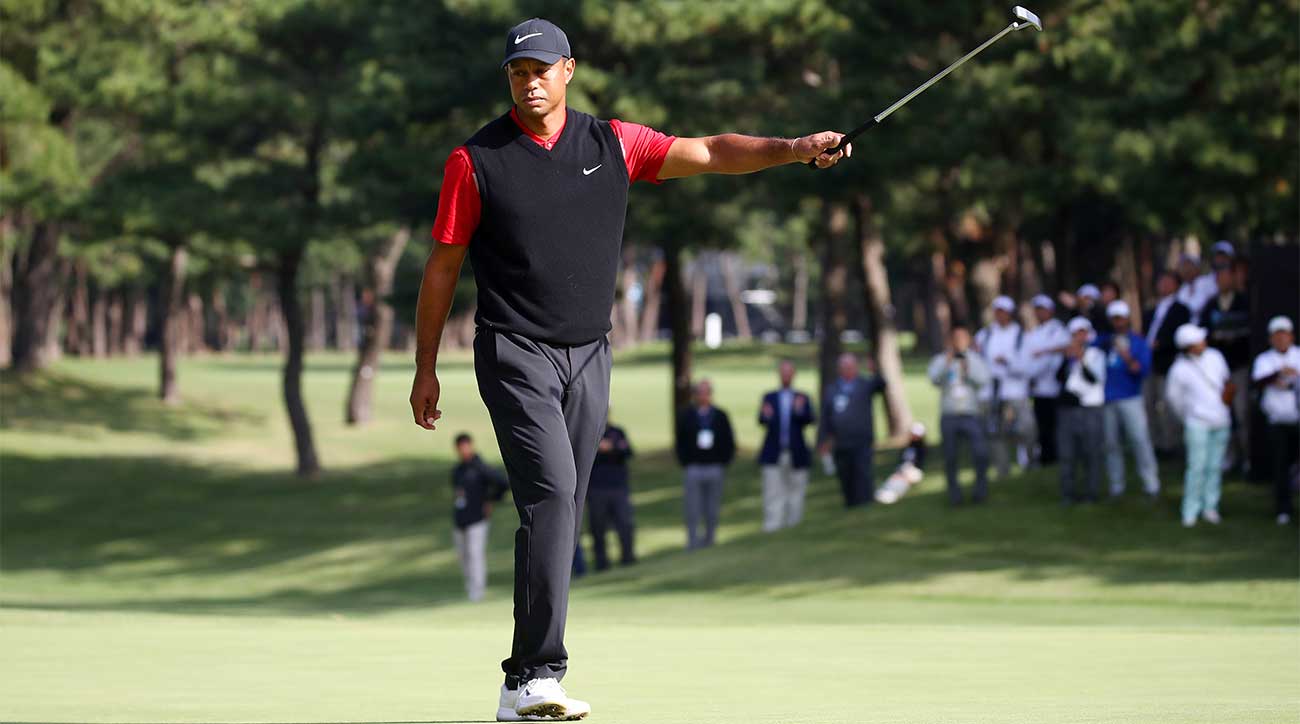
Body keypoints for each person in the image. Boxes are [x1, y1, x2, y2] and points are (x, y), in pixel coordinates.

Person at [405, 17, 853, 721]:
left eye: (542, 69)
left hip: (591, 352)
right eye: (518, 72)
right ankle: (540, 674)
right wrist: (425, 366)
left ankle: (520, 680)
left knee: (558, 509)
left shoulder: (610, 142)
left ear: (569, 70)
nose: (530, 82)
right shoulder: (477, 160)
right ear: (508, 78)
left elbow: (708, 152)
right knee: (552, 495)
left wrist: (793, 149)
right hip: (514, 351)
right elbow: (443, 266)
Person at [1165, 324, 1231, 527]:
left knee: (1214, 467)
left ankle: (1210, 507)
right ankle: (1190, 510)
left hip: (1221, 420)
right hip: (1197, 423)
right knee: (1196, 467)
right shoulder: (1179, 369)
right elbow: (1174, 399)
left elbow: (1225, 381)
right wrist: (1189, 416)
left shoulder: (1215, 356)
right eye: (1198, 341)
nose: (1203, 342)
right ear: (1189, 346)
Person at [1096, 300, 1160, 499]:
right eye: (1114, 318)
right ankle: (1117, 486)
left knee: (1140, 440)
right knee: (1111, 444)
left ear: (1127, 319)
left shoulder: (1138, 342)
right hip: (1107, 399)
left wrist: (1125, 355)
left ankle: (1151, 484)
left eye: (1121, 318)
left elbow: (1141, 370)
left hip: (1131, 397)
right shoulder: (1104, 342)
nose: (1118, 322)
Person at [928, 324, 993, 505]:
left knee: (980, 453)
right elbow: (933, 379)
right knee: (950, 457)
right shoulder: (942, 359)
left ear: (968, 340)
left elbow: (983, 381)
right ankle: (954, 495)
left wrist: (967, 368)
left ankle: (980, 491)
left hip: (970, 414)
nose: (958, 343)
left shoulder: (974, 359)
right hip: (949, 414)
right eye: (955, 339)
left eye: (962, 339)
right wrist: (948, 364)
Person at [974, 295, 1035, 479]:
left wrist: (1007, 362)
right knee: (995, 432)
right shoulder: (984, 335)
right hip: (990, 392)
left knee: (1027, 428)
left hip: (1015, 390)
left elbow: (1026, 366)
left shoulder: (1020, 335)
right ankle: (1003, 472)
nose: (1000, 315)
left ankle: (1030, 463)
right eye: (997, 311)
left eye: (1003, 311)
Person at [1199, 261, 1251, 472]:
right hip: (1218, 371)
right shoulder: (1210, 304)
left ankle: (1248, 457)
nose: (1222, 281)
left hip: (1239, 366)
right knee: (1223, 414)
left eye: (1226, 276)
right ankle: (1229, 456)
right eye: (1218, 278)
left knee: (1242, 412)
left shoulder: (1244, 301)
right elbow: (1205, 333)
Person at [818, 353, 888, 508]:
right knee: (845, 473)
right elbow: (825, 416)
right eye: (844, 367)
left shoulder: (864, 384)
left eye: (850, 366)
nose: (848, 369)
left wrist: (875, 371)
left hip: (862, 439)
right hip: (841, 441)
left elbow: (882, 385)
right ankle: (850, 503)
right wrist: (823, 440)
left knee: (863, 472)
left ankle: (865, 503)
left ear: (856, 368)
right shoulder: (832, 389)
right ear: (839, 369)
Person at [675, 379, 736, 549]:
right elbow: (680, 442)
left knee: (712, 507)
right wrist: (685, 461)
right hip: (694, 467)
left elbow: (729, 441)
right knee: (692, 508)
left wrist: (724, 460)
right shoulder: (687, 415)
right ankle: (693, 542)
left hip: (715, 466)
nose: (703, 396)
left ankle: (710, 540)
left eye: (706, 392)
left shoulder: (720, 416)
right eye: (699, 392)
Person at [1251, 316, 1300, 525]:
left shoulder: (1298, 355)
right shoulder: (1264, 359)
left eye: (1284, 335)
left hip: (1297, 418)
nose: (1281, 339)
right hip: (1276, 420)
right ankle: (1283, 509)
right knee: (1280, 465)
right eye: (1277, 336)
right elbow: (1259, 381)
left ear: (1291, 336)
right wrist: (1279, 372)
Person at [757, 359, 816, 531]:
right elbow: (762, 420)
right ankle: (772, 526)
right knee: (773, 491)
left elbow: (809, 419)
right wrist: (766, 415)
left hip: (796, 451)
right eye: (783, 372)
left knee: (796, 491)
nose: (786, 376)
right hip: (774, 451)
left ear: (794, 374)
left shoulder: (802, 397)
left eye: (789, 372)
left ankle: (793, 525)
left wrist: (798, 410)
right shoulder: (769, 397)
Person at [450, 433, 509, 603]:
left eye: (465, 446)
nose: (463, 450)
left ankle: (477, 592)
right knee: (463, 556)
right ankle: (470, 589)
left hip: (478, 519)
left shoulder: (480, 467)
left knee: (475, 554)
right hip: (461, 518)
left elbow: (503, 483)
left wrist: (490, 500)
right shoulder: (457, 471)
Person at [1055, 317, 1106, 505]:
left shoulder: (1096, 354)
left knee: (1090, 453)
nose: (1078, 337)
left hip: (1090, 410)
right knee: (1067, 454)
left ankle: (1091, 493)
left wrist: (1081, 359)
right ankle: (1068, 494)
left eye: (1082, 333)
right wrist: (1068, 359)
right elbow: (1059, 378)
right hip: (1068, 411)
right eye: (1075, 334)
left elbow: (1094, 379)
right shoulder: (1067, 358)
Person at [1143, 271, 1193, 456]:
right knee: (1149, 405)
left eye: (1168, 282)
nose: (1163, 285)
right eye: (1161, 281)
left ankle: (1173, 444)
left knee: (1169, 405)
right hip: (1149, 364)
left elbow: (1182, 337)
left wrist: (1161, 344)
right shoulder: (1151, 309)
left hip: (1168, 363)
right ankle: (1155, 444)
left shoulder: (1181, 309)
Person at [1024, 294, 1070, 465]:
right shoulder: (1034, 333)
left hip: (1055, 386)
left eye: (1042, 309)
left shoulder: (1058, 329)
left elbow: (1063, 349)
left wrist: (1044, 352)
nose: (1039, 313)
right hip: (1038, 387)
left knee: (1056, 425)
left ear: (1050, 311)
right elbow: (1029, 357)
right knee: (1042, 425)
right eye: (1037, 310)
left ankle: (1059, 456)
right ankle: (1047, 458)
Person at [587, 417, 636, 570]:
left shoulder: (617, 431)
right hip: (596, 488)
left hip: (618, 487)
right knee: (598, 527)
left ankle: (627, 558)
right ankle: (601, 563)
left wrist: (611, 447)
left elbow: (627, 451)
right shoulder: (589, 432)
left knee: (625, 523)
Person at [876, 422, 929, 504]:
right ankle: (885, 492)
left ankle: (893, 495)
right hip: (903, 469)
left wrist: (908, 468)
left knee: (904, 479)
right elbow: (902, 460)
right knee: (895, 477)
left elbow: (918, 464)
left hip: (915, 471)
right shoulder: (908, 447)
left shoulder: (921, 449)